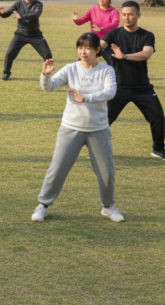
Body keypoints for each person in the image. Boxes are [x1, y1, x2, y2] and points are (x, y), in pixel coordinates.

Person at [31, 32, 123, 222]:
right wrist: (46, 75)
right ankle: (43, 205)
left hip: (98, 129)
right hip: (71, 128)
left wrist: (86, 98)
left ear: (97, 50)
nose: (83, 51)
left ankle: (108, 207)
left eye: (88, 47)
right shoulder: (71, 69)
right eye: (80, 47)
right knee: (57, 169)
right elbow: (49, 87)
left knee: (106, 173)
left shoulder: (106, 71)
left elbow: (111, 92)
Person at [101, 1, 165, 161]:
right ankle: (94, 149)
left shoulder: (147, 35)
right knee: (104, 119)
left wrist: (124, 56)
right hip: (118, 87)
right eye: (124, 14)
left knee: (158, 117)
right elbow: (100, 46)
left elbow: (146, 54)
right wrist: (92, 47)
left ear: (138, 15)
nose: (126, 17)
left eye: (130, 14)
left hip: (142, 88)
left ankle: (158, 149)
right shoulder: (113, 34)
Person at [0, 0, 53, 80]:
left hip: (35, 34)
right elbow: (7, 14)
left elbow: (36, 15)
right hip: (20, 34)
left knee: (47, 54)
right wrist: (2, 13)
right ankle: (6, 73)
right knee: (9, 53)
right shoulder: (18, 3)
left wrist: (21, 16)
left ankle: (48, 74)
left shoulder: (38, 4)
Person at [73, 0, 119, 65]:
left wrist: (101, 29)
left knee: (113, 62)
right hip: (94, 40)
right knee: (83, 60)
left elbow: (115, 24)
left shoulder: (114, 12)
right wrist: (76, 19)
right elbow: (81, 21)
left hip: (108, 41)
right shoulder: (92, 10)